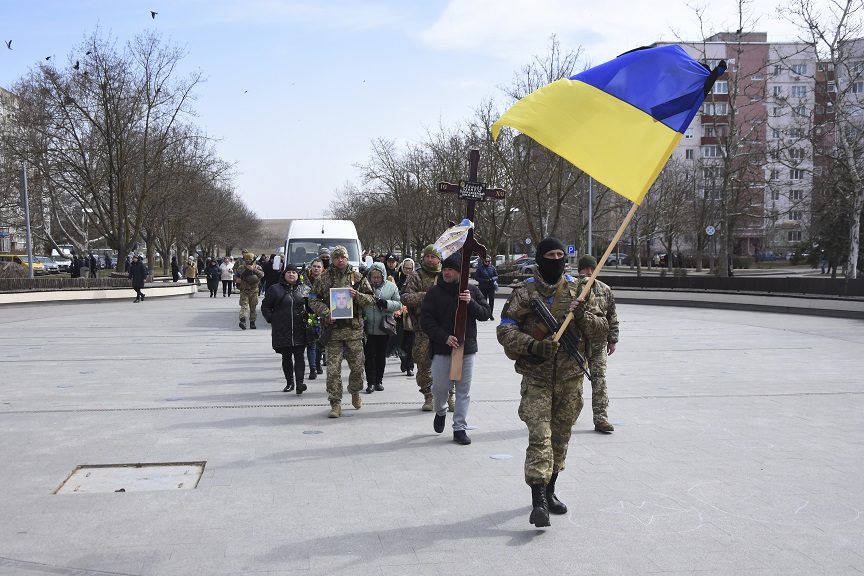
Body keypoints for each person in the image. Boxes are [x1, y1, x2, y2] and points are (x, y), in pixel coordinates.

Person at [496, 237, 609, 527]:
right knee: (540, 437)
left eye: (560, 254)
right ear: (540, 258)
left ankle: (551, 489)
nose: (556, 258)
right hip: (537, 378)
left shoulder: (580, 290)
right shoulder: (525, 292)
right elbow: (505, 330)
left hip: (571, 379)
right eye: (550, 254)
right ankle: (539, 500)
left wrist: (582, 314)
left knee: (560, 438)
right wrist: (533, 346)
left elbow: (601, 329)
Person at [420, 253, 491, 445]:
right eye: (444, 269)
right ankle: (441, 411)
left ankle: (459, 428)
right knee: (440, 389)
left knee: (463, 391)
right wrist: (444, 337)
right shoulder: (434, 292)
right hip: (442, 349)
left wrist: (471, 303)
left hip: (466, 349)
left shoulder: (472, 291)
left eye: (450, 269)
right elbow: (425, 320)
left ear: (460, 272)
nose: (446, 273)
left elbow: (486, 314)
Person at [308, 245, 374, 418]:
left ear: (347, 258)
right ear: (332, 259)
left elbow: (370, 299)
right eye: (336, 257)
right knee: (333, 371)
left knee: (358, 368)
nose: (340, 260)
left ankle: (354, 391)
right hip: (333, 332)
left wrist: (356, 296)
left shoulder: (357, 276)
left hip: (354, 331)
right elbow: (312, 300)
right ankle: (335, 403)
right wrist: (326, 313)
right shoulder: (324, 278)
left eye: (342, 257)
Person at [402, 245, 455, 412]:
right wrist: (428, 296)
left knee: (449, 364)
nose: (430, 260)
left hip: (445, 329)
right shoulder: (417, 276)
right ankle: (428, 396)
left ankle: (449, 396)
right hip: (423, 328)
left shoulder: (447, 274)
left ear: (439, 259)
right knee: (423, 363)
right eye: (427, 257)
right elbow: (405, 297)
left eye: (434, 257)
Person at [576, 255, 619, 433]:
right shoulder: (573, 287)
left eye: (593, 269)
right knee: (575, 379)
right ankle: (571, 412)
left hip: (598, 342)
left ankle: (601, 418)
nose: (590, 272)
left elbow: (612, 316)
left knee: (599, 379)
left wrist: (612, 339)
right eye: (586, 269)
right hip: (577, 342)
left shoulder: (604, 289)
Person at [261, 264, 309, 394]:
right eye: (289, 272)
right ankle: (290, 383)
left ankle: (300, 383)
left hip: (300, 329)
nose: (292, 274)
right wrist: (272, 319)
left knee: (299, 357)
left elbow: (311, 307)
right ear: (284, 274)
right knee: (286, 357)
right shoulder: (274, 289)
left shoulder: (304, 289)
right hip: (282, 330)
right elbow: (265, 307)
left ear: (298, 275)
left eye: (294, 272)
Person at [361, 262, 401, 394]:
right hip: (368, 328)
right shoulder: (364, 286)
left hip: (384, 328)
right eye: (373, 277)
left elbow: (399, 304)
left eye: (378, 277)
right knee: (369, 356)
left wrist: (386, 303)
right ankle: (370, 382)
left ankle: (379, 381)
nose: (376, 279)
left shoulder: (391, 287)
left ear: (383, 276)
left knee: (380, 356)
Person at [302, 257, 325, 380]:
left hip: (322, 315)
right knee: (311, 343)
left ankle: (318, 363)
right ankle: (313, 368)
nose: (316, 268)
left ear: (322, 269)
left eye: (318, 266)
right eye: (314, 266)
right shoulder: (305, 280)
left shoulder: (326, 281)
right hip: (309, 315)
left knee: (320, 342)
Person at [235, 252, 265, 330]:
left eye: (250, 259)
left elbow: (262, 275)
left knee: (253, 307)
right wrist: (236, 279)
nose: (248, 260)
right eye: (246, 259)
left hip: (254, 290)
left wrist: (253, 269)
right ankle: (243, 321)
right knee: (244, 306)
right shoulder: (241, 268)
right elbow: (236, 275)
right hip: (244, 290)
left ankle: (252, 322)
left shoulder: (258, 267)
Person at [397, 258, 415, 375]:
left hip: (412, 315)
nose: (407, 270)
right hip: (399, 315)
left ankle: (410, 366)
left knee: (411, 342)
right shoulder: (397, 278)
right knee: (401, 343)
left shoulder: (416, 279)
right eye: (405, 268)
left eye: (410, 268)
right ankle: (403, 361)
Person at [473, 255, 499, 319]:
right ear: (483, 261)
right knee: (483, 301)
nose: (487, 262)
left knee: (491, 300)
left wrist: (492, 279)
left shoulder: (492, 267)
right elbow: (476, 277)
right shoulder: (480, 268)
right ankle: (484, 313)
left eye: (488, 261)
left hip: (491, 287)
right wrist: (484, 280)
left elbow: (496, 276)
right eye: (486, 261)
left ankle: (490, 314)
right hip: (483, 287)